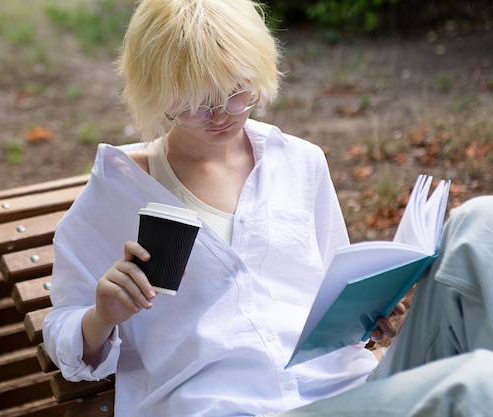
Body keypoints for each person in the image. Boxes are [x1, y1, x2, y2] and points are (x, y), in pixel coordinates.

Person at [42, 0, 493, 416]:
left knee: (479, 224)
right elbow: (63, 330)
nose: (222, 115)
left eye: (239, 92)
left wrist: (371, 317)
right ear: (157, 93)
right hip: (229, 406)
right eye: (198, 103)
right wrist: (102, 315)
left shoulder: (299, 161)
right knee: (476, 383)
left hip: (350, 390)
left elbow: (335, 290)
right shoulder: (122, 188)